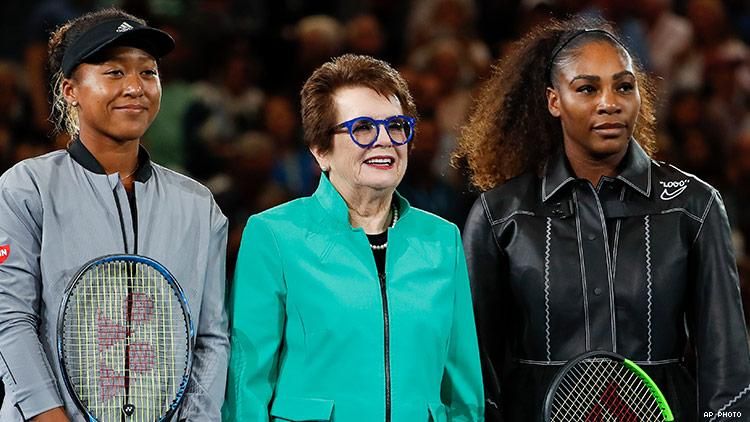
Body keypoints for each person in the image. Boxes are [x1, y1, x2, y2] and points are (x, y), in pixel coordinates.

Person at [455, 17, 750, 422]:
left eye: (623, 86)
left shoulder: (693, 205)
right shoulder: (500, 214)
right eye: (588, 88)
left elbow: (727, 362)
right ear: (554, 101)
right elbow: (474, 365)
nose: (609, 102)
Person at [223, 54, 483, 421]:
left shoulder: (442, 240)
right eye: (362, 128)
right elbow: (246, 383)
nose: (385, 141)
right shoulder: (274, 235)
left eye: (396, 126)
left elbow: (463, 390)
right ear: (320, 150)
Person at [0, 8, 229, 421]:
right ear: (70, 89)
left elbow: (210, 338)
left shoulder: (199, 205)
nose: (135, 87)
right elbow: (9, 318)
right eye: (114, 72)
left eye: (147, 72)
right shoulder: (26, 188)